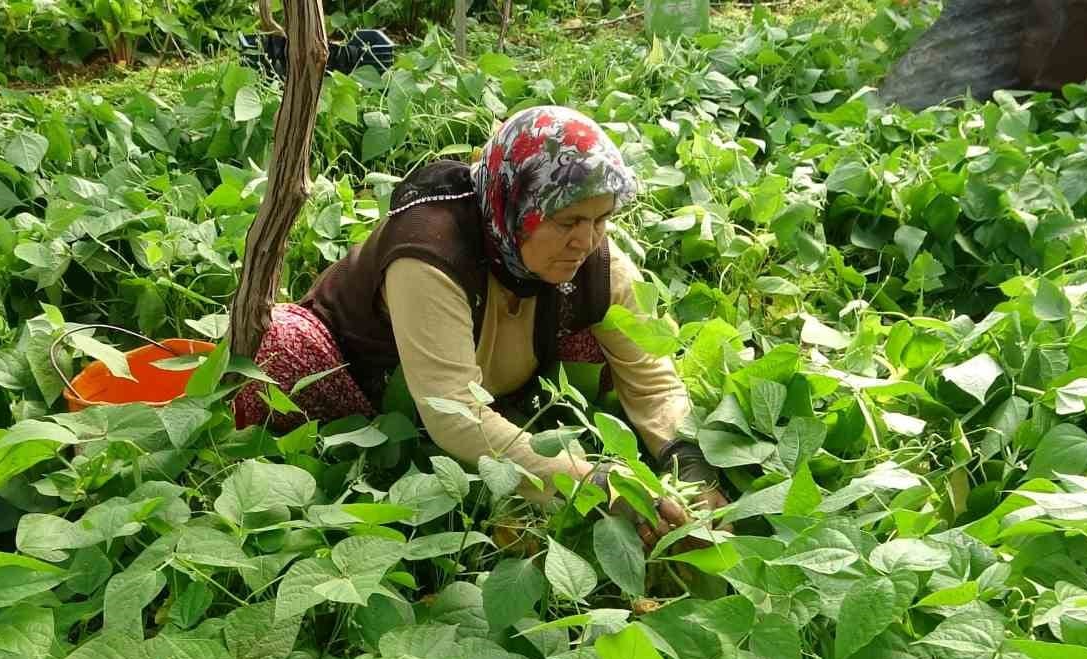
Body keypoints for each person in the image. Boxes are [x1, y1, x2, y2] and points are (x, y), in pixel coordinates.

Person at [234, 105, 725, 541]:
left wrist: (691, 464)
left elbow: (652, 377)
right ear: (517, 206)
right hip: (368, 373)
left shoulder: (598, 262)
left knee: (604, 333)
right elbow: (455, 415)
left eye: (601, 219)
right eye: (567, 221)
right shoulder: (430, 253)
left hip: (486, 379)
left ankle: (518, 436)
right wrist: (594, 481)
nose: (587, 241)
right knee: (278, 352)